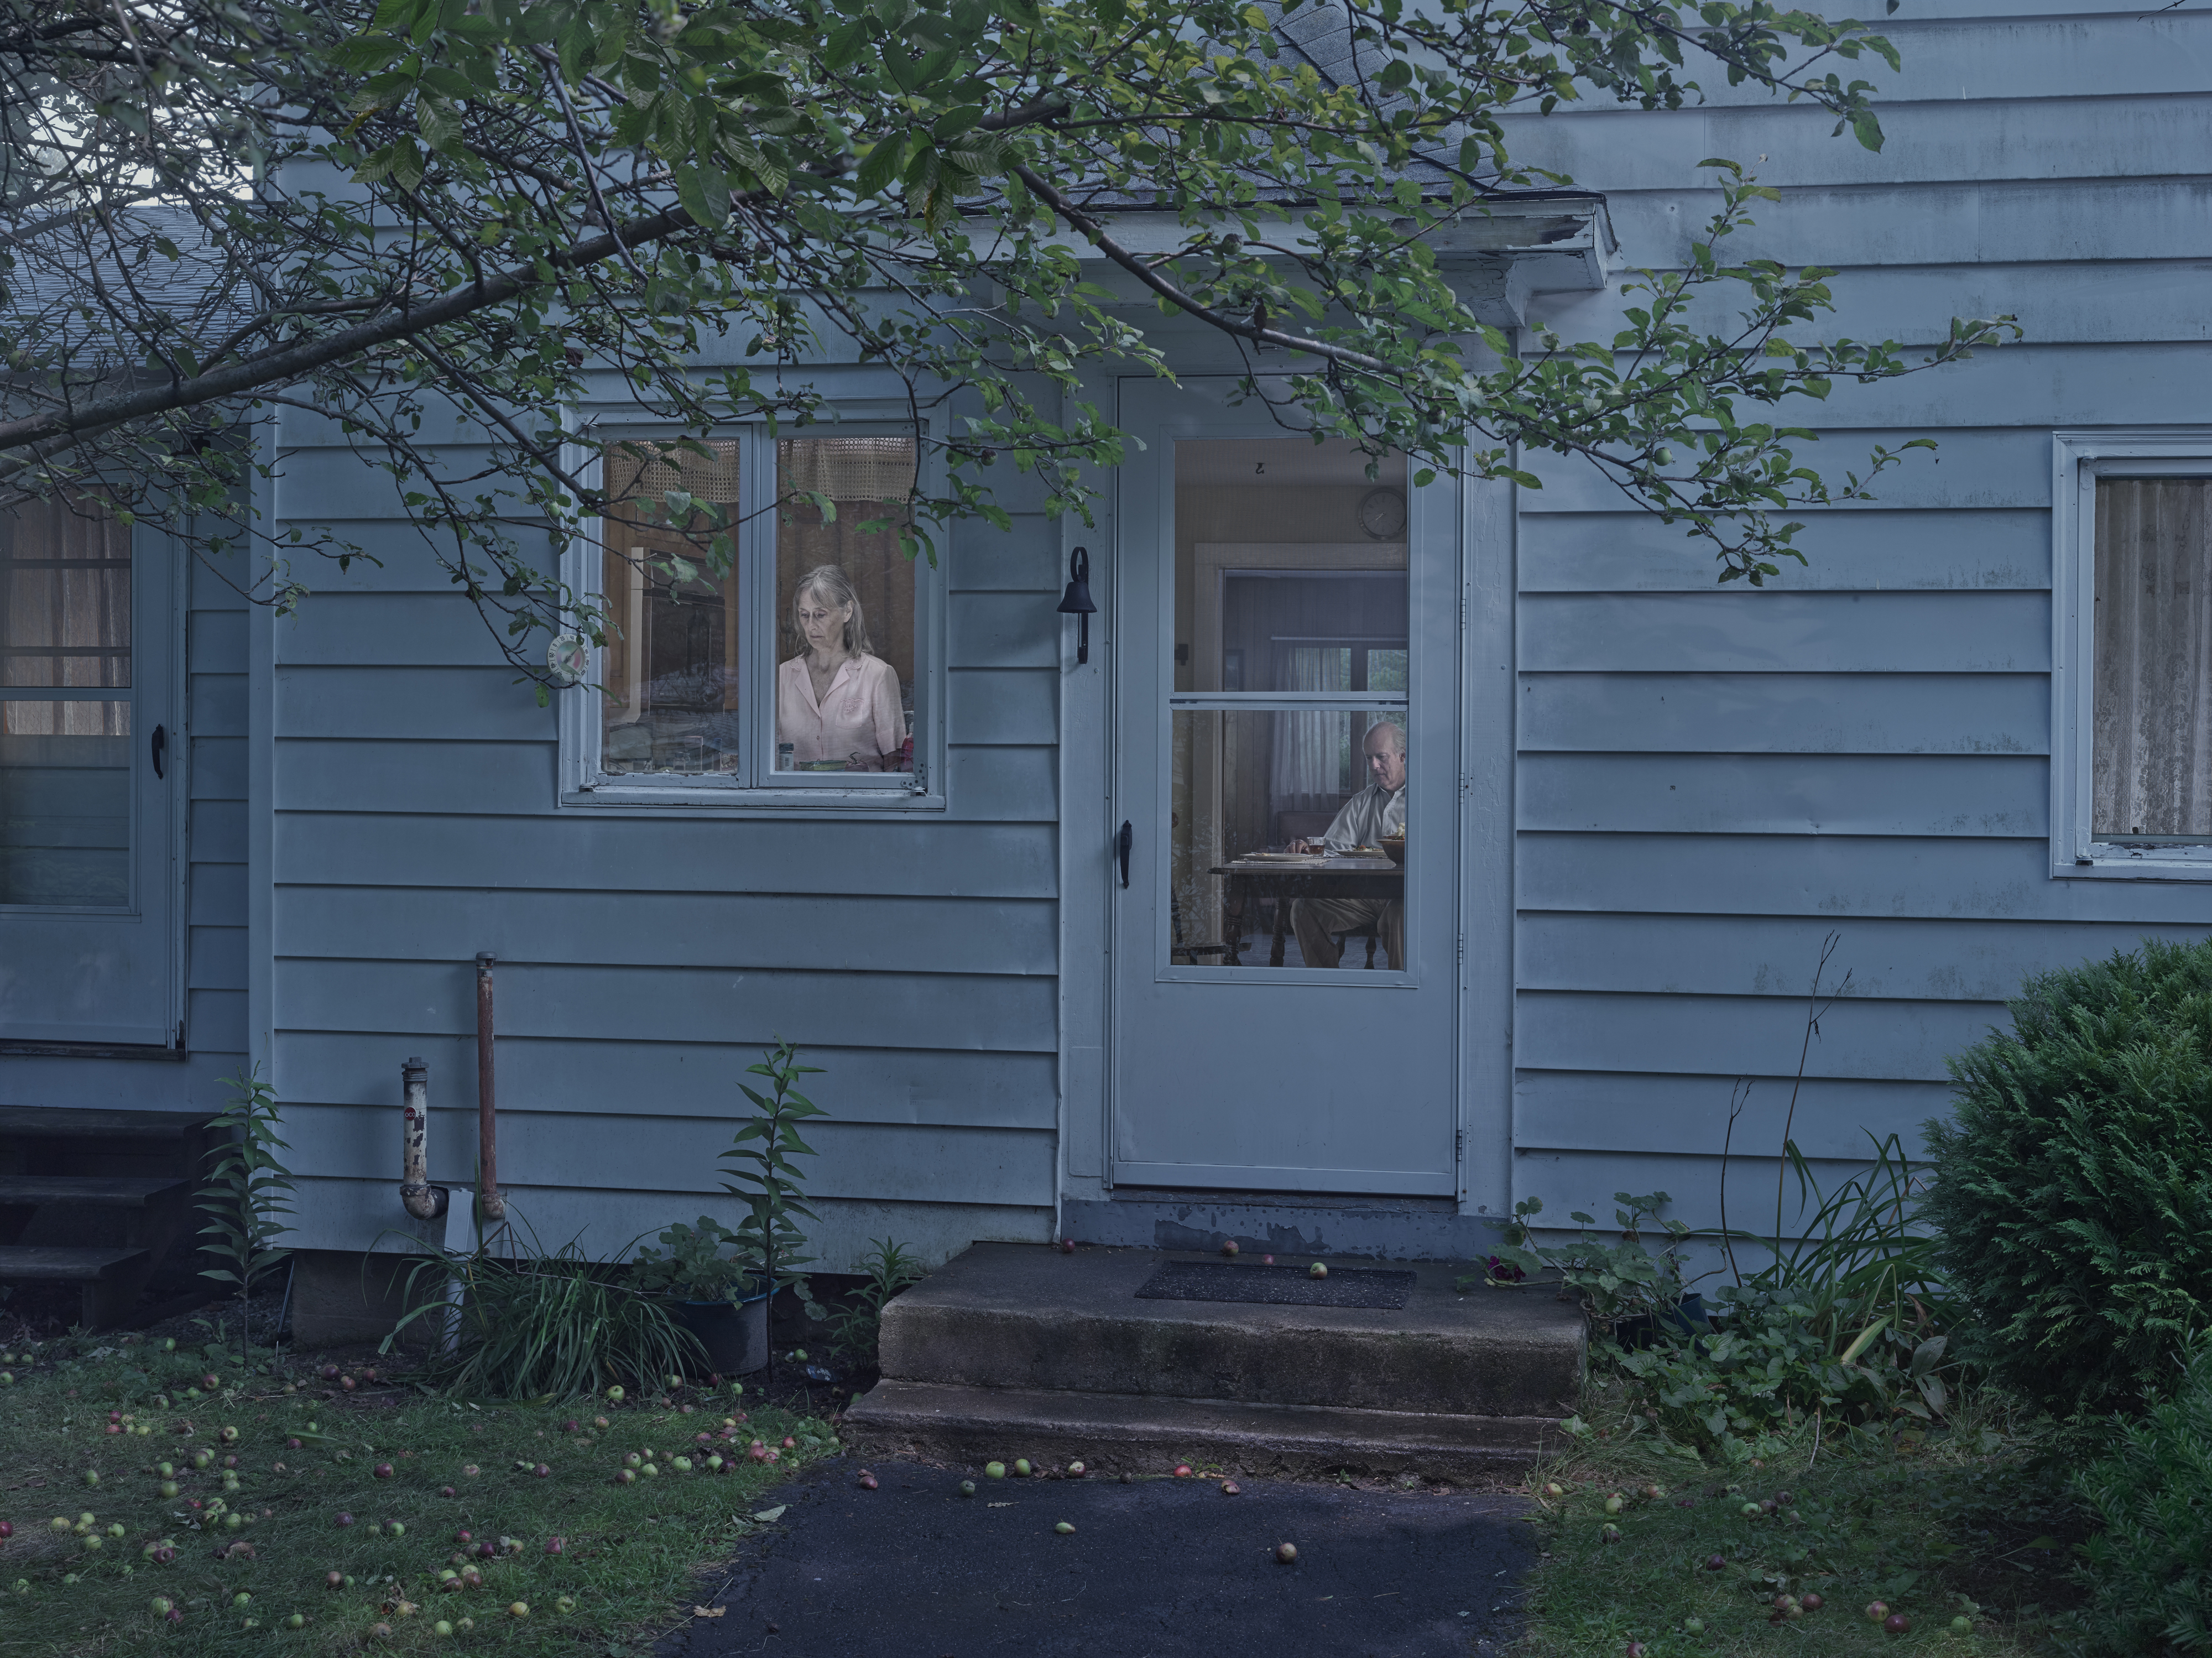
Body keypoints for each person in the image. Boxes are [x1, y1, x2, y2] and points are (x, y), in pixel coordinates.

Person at [1288, 720, 1406, 969]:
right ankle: (1327, 987)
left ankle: (1401, 995)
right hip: (1364, 896)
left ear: (1402, 756)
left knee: (1400, 916)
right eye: (1369, 758)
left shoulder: (1428, 798)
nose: (1374, 765)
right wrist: (1307, 851)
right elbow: (1331, 850)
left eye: (1381, 757)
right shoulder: (1361, 802)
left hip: (1407, 896)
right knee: (1303, 908)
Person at [775, 564, 907, 770]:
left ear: (847, 611)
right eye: (804, 615)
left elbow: (896, 763)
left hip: (859, 800)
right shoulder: (782, 677)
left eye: (820, 614)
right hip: (794, 800)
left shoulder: (877, 675)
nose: (810, 625)